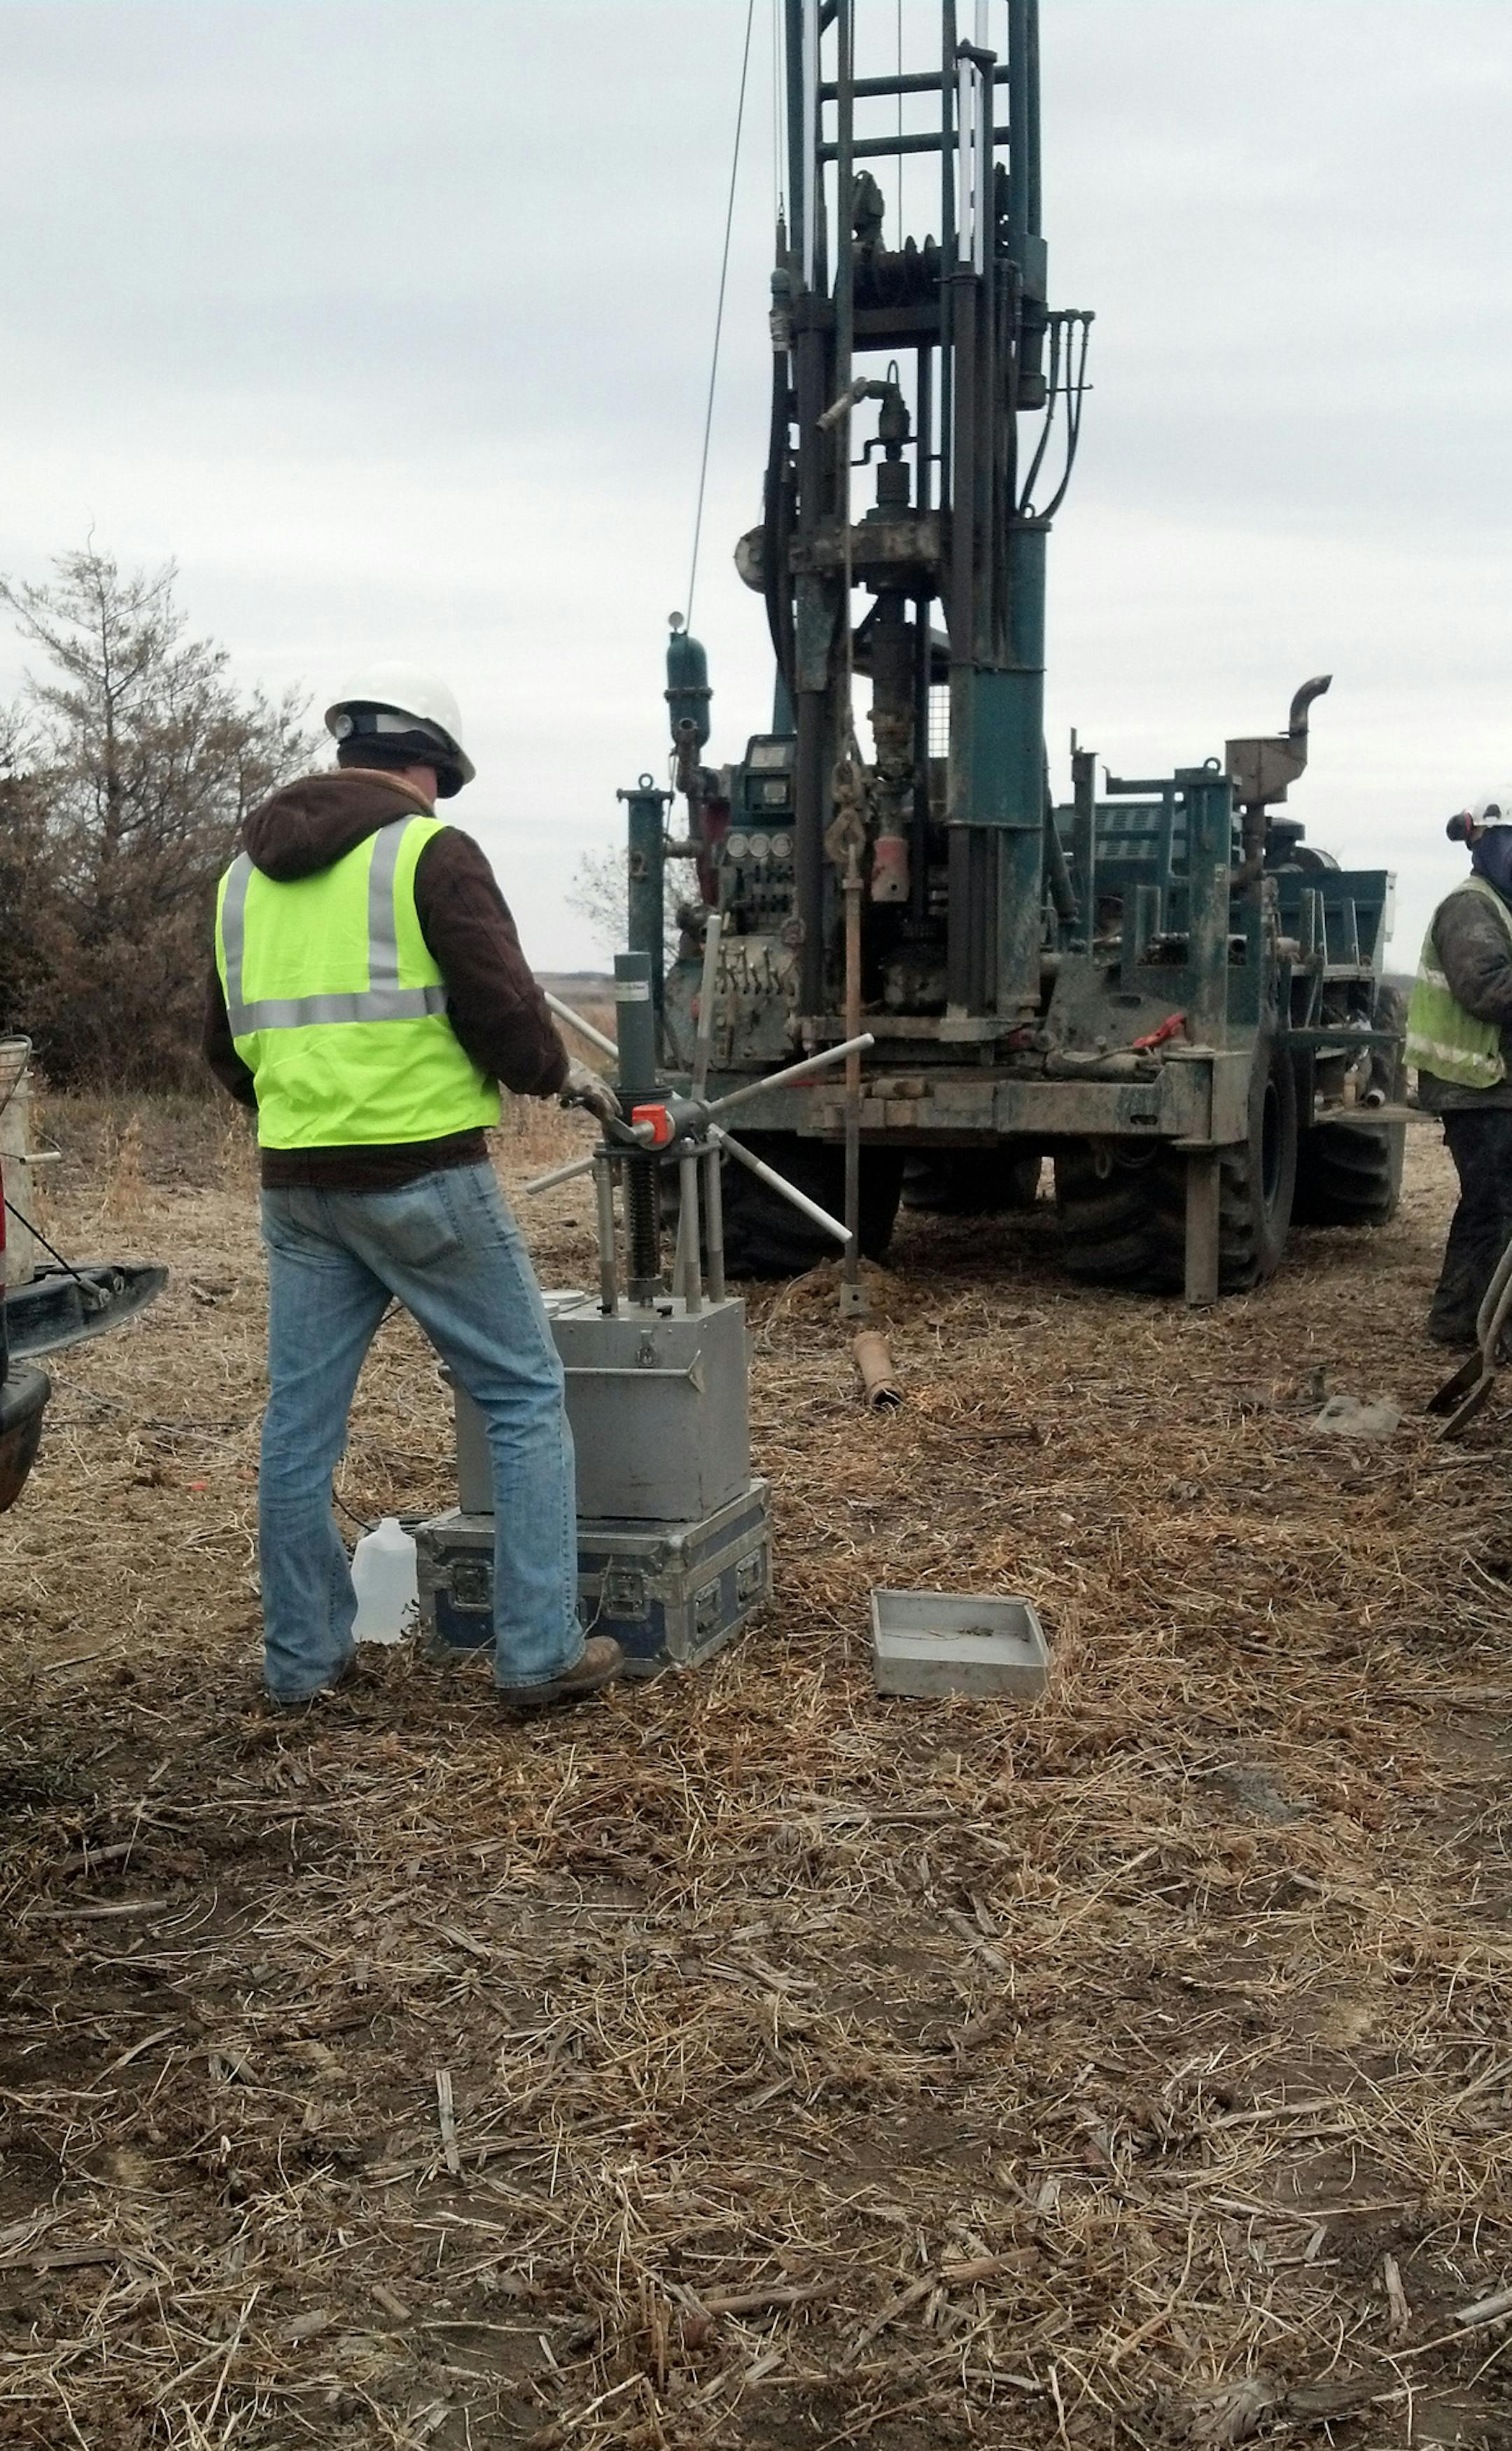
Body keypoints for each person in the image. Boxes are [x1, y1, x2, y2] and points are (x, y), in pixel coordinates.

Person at [204, 662, 624, 1710]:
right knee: (523, 1396)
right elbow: (503, 1008)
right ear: (432, 765)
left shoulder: (241, 878)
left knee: (301, 1426)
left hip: (298, 1186)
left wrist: (310, 1116)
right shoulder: (430, 853)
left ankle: (302, 1661)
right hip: (425, 1175)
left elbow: (224, 1047)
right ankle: (537, 1654)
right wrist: (562, 1076)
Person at [1406, 789, 1512, 1346]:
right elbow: (1488, 989)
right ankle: (1461, 1323)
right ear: (1488, 842)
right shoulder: (1472, 907)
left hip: (1492, 1082)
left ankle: (1478, 1322)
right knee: (1492, 1203)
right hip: (1472, 1084)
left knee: (1496, 1204)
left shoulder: (1502, 905)